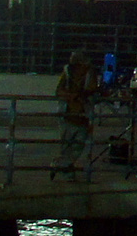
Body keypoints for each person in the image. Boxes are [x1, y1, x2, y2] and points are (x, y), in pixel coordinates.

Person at [54, 50, 102, 178]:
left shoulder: (88, 73)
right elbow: (59, 91)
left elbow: (91, 89)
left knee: (76, 144)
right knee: (70, 144)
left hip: (80, 113)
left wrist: (77, 95)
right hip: (69, 112)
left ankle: (62, 165)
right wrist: (71, 96)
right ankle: (65, 168)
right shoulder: (68, 73)